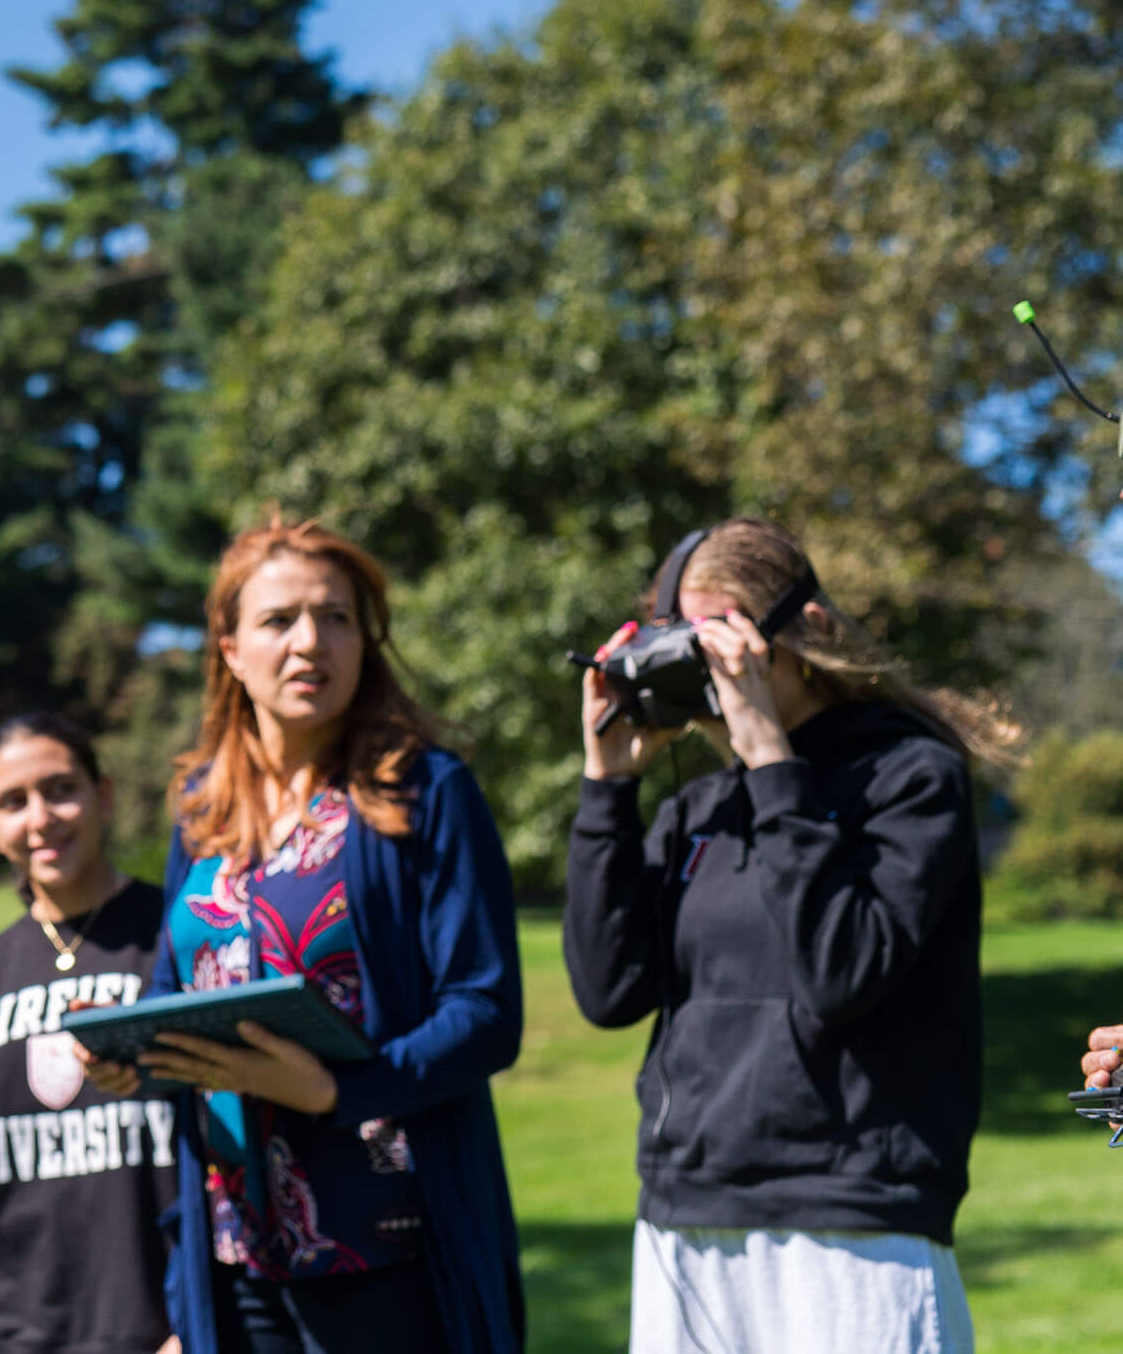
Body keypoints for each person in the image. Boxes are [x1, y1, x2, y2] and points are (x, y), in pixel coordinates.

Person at [565, 517, 1015, 1354]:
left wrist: (771, 760)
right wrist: (605, 789)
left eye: (723, 642)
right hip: (687, 1216)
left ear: (802, 630)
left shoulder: (910, 778)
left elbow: (842, 970)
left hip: (851, 1218)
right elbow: (606, 991)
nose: (708, 670)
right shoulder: (697, 809)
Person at [89, 516, 525, 1354]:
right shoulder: (202, 810)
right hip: (237, 1252)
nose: (309, 642)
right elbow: (172, 988)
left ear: (365, 641)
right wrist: (124, 1050)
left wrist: (332, 1091)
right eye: (278, 620)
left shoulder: (425, 793)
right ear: (228, 648)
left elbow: (484, 1012)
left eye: (336, 618)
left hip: (387, 1247)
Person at [0, 713, 180, 1354]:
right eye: (13, 802)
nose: (40, 818)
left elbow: (238, 1135)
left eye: (60, 789)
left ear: (103, 795)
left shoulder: (181, 935)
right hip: (1, 1334)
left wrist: (199, 1320)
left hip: (158, 1326)